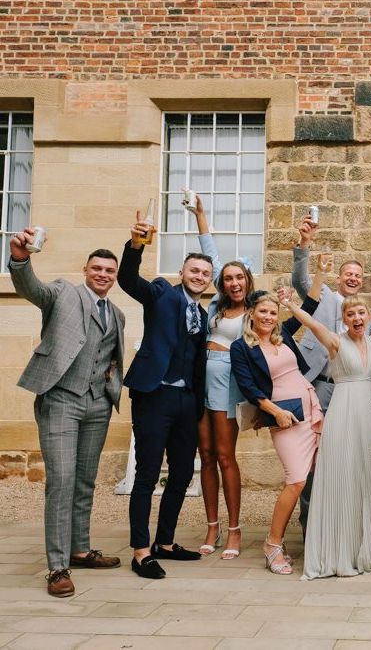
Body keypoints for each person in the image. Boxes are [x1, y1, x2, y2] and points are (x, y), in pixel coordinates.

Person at [9, 231, 125, 597]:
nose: (103, 274)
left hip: (98, 404)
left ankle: (80, 549)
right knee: (61, 480)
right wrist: (20, 259)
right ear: (85, 269)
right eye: (97, 268)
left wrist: (109, 384)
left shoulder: (117, 314)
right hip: (61, 399)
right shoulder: (63, 294)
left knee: (85, 479)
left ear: (115, 275)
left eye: (109, 270)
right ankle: (57, 567)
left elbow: (110, 356)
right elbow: (31, 288)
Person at [282, 291, 371, 579]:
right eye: (350, 314)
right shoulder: (335, 342)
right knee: (345, 472)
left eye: (361, 313)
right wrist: (291, 306)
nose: (356, 318)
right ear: (344, 319)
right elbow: (313, 326)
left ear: (369, 316)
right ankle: (343, 548)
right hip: (343, 411)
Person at [119, 211, 213, 579]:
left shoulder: (203, 315)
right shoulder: (160, 292)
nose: (200, 277)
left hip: (187, 401)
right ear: (182, 272)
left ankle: (166, 542)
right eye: (194, 271)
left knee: (180, 475)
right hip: (154, 395)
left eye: (205, 274)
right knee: (146, 474)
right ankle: (141, 551)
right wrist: (136, 245)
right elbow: (128, 279)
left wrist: (198, 401)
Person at [230, 290, 324, 574]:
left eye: (273, 313)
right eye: (263, 312)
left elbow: (310, 307)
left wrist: (313, 276)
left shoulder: (281, 337)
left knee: (317, 478)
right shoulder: (241, 347)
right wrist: (275, 412)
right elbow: (249, 387)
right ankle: (272, 544)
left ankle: (319, 541)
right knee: (295, 480)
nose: (269, 317)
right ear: (252, 314)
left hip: (312, 408)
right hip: (285, 417)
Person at [188, 196, 254, 558]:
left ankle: (234, 530)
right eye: (227, 279)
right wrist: (201, 216)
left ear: (247, 280)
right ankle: (211, 526)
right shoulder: (216, 305)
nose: (232, 283)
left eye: (238, 277)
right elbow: (210, 255)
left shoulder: (253, 311)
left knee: (227, 456)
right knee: (207, 453)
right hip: (202, 385)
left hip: (229, 388)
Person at [291, 213, 364, 533]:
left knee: (345, 459)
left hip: (349, 394)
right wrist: (305, 244)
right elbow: (300, 282)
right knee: (311, 458)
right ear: (340, 278)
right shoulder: (324, 299)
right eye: (347, 273)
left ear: (362, 282)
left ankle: (341, 525)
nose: (351, 278)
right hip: (318, 387)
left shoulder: (366, 316)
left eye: (357, 275)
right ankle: (310, 527)